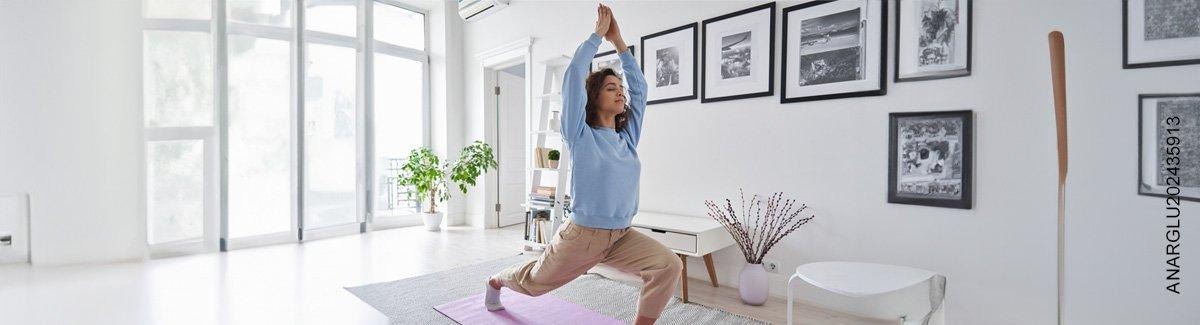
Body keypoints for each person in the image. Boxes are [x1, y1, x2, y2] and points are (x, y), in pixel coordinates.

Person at [483, 4, 682, 325]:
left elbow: (641, 90)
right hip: (582, 237)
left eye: (621, 89)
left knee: (668, 264)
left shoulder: (627, 138)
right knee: (534, 284)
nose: (620, 93)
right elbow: (575, 74)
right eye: (611, 88)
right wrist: (597, 37)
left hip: (621, 236)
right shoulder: (579, 134)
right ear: (593, 97)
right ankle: (496, 281)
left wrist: (620, 43)